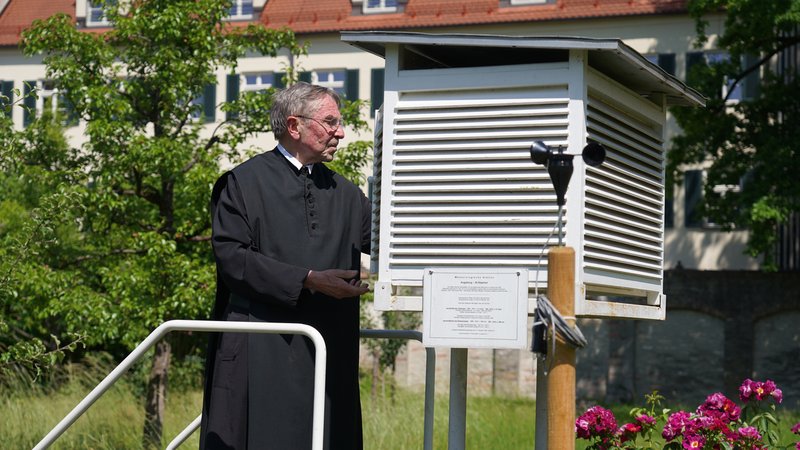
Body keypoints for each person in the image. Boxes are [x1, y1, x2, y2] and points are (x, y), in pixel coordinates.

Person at [200, 82, 371, 450]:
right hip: (262, 350)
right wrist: (308, 280)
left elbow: (388, 243)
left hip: (329, 350)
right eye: (330, 122)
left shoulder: (349, 195)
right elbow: (233, 259)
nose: (341, 132)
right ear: (294, 126)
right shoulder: (242, 183)